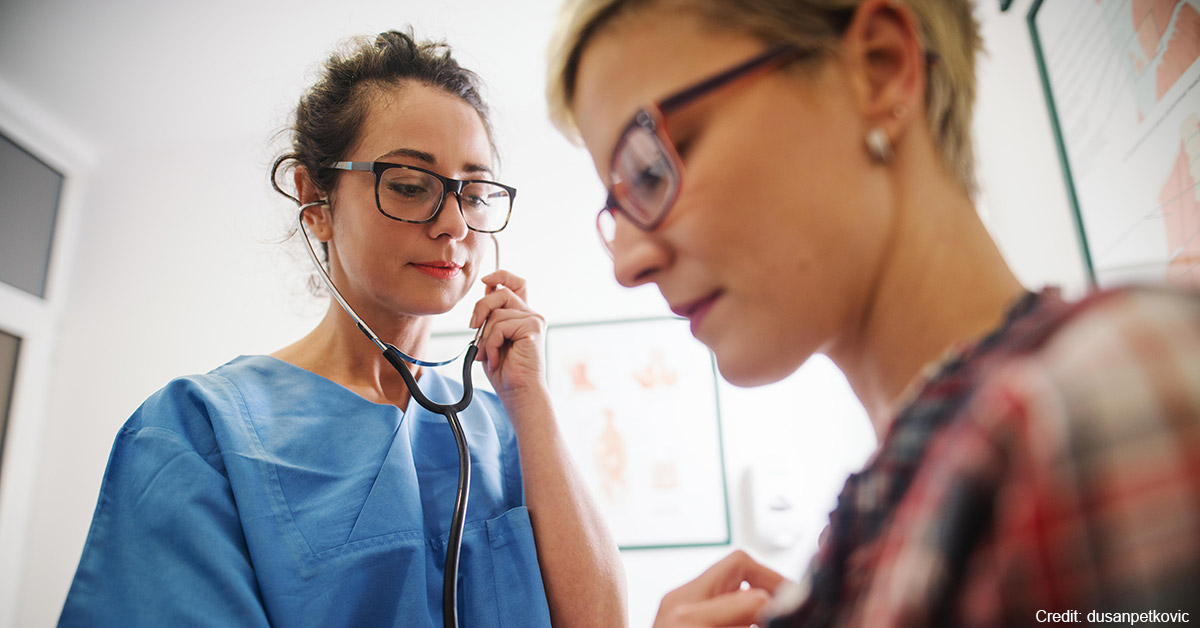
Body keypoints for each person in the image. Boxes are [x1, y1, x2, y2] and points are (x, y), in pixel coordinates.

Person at [546, 0, 1200, 625]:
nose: (626, 263)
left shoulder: (1095, 398)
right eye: (618, 205)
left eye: (653, 169)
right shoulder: (895, 502)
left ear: (879, 68)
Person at [60, 29, 625, 627]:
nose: (455, 224)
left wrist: (530, 400)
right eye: (410, 186)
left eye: (476, 193)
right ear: (316, 201)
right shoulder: (201, 432)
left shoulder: (507, 434)